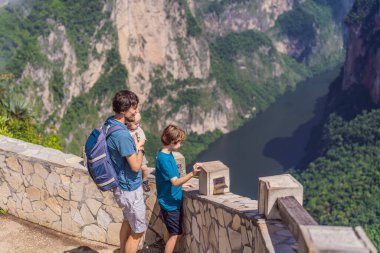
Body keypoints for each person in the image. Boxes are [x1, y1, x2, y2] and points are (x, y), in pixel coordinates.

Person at [105, 90, 146, 253]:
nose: (136, 111)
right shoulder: (123, 135)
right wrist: (141, 148)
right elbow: (136, 166)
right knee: (138, 231)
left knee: (128, 221)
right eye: (133, 108)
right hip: (129, 188)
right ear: (123, 110)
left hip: (121, 186)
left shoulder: (110, 123)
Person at [155, 125, 202, 253]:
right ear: (172, 141)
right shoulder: (164, 159)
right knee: (175, 235)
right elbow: (175, 181)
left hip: (173, 200)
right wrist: (192, 174)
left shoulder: (166, 153)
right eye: (179, 141)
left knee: (176, 234)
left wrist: (183, 185)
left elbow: (171, 179)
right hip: (169, 204)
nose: (181, 144)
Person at [125, 112, 150, 192]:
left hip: (139, 153)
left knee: (144, 168)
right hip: (129, 154)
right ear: (128, 122)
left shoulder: (138, 130)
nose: (138, 125)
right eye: (136, 123)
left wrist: (138, 145)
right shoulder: (124, 130)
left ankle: (145, 181)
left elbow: (143, 139)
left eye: (139, 123)